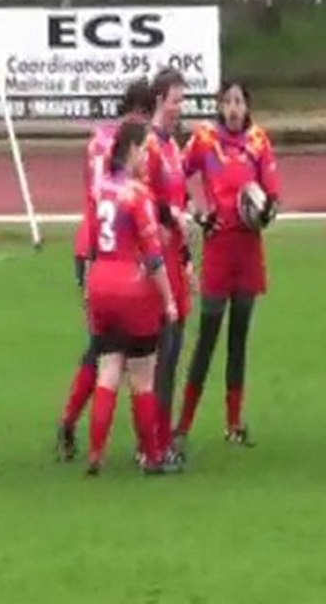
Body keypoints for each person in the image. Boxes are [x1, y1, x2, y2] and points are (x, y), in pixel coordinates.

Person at [173, 81, 280, 451]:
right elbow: (175, 177)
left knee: (238, 340)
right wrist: (198, 216)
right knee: (207, 338)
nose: (233, 109)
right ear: (219, 107)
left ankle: (234, 423)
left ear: (247, 107)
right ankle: (183, 424)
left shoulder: (259, 142)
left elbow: (274, 196)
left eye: (239, 102)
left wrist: (264, 212)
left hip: (248, 250)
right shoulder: (204, 140)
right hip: (218, 248)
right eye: (227, 102)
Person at [56, 78, 155, 461]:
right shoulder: (134, 144)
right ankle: (144, 447)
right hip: (121, 253)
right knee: (123, 355)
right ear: (143, 112)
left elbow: (91, 191)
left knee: (101, 348)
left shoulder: (95, 141)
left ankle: (71, 424)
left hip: (90, 245)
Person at [84, 119, 178, 475]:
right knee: (142, 376)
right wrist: (168, 300)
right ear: (134, 149)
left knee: (107, 368)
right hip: (131, 285)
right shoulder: (138, 195)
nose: (148, 158)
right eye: (146, 149)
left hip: (100, 281)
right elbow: (154, 257)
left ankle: (96, 453)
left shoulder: (102, 189)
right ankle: (152, 458)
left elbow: (93, 241)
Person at [145, 67, 195, 466]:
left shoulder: (173, 147)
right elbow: (143, 195)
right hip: (157, 263)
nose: (181, 108)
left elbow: (180, 196)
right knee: (161, 355)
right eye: (177, 100)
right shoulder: (149, 145)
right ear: (160, 100)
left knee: (173, 352)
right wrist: (171, 217)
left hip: (177, 261)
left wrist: (190, 256)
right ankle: (153, 445)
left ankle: (161, 439)